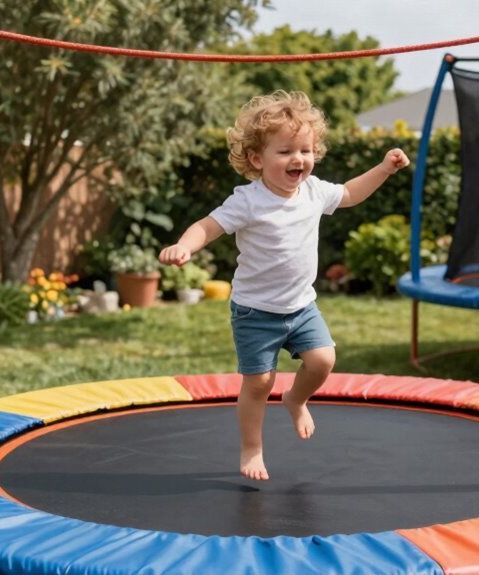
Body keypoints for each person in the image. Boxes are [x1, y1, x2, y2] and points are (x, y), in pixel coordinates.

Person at [159, 90, 410, 481]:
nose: (299, 159)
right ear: (257, 159)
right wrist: (185, 246)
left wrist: (383, 169)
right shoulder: (248, 200)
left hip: (301, 306)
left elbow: (349, 193)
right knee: (259, 382)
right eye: (286, 151)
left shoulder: (314, 191)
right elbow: (208, 226)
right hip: (255, 311)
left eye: (306, 150)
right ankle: (251, 448)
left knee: (323, 361)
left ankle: (296, 399)